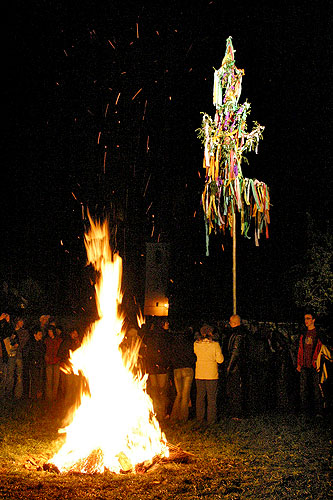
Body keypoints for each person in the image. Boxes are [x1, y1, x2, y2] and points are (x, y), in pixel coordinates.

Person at [194, 323, 224, 425]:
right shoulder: (215, 345)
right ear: (210, 333)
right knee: (211, 398)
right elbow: (220, 360)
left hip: (199, 374)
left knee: (200, 397)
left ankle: (200, 419)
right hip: (211, 374)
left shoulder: (196, 344)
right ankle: (211, 419)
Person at [144, 318, 171, 422]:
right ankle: (161, 413)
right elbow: (165, 351)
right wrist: (165, 364)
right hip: (161, 366)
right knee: (162, 391)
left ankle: (154, 412)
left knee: (154, 391)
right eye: (166, 323)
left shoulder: (149, 336)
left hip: (151, 366)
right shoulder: (163, 336)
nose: (167, 324)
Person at [296, 312, 323, 416]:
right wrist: (299, 363)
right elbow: (300, 350)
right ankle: (304, 411)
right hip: (304, 365)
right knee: (303, 389)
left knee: (316, 388)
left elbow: (320, 349)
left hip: (314, 365)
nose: (306, 320)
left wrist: (317, 362)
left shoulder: (317, 334)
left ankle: (318, 411)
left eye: (308, 318)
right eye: (305, 318)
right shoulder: (303, 334)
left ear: (313, 320)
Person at [170, 327, 197, 423]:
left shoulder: (173, 344)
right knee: (185, 394)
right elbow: (192, 357)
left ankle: (174, 416)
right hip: (187, 369)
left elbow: (171, 357)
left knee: (179, 394)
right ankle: (183, 417)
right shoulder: (189, 344)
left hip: (177, 370)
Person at [226, 314, 248, 418]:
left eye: (230, 322)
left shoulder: (238, 334)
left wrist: (229, 367)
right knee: (237, 389)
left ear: (234, 323)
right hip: (239, 365)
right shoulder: (241, 333)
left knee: (236, 390)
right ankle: (237, 411)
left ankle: (237, 413)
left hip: (236, 367)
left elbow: (235, 351)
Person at [44, 325, 62, 402]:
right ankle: (49, 397)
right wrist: (46, 356)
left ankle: (54, 397)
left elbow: (61, 350)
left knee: (56, 380)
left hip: (56, 361)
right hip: (49, 362)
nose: (49, 333)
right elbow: (44, 350)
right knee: (49, 380)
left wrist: (59, 358)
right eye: (48, 332)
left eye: (51, 331)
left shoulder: (59, 340)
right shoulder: (47, 340)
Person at [28, 327, 46, 400]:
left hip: (40, 364)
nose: (40, 335)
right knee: (34, 380)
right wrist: (33, 361)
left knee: (40, 379)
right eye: (39, 334)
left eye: (41, 334)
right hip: (34, 365)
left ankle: (39, 395)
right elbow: (29, 353)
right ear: (35, 335)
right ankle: (33, 396)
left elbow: (43, 352)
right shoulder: (31, 343)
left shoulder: (41, 343)